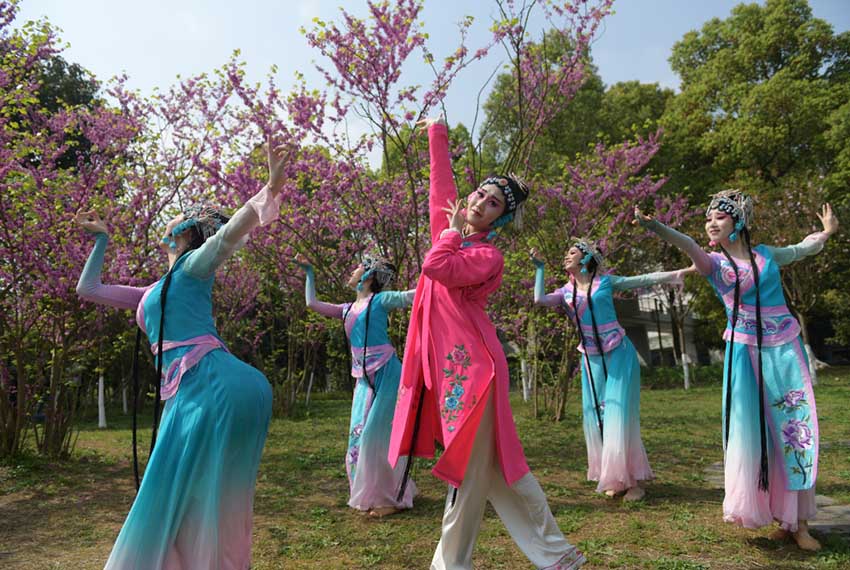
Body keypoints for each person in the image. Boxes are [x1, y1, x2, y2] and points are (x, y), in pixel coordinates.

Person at [75, 138, 287, 569]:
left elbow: (226, 237)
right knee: (184, 491)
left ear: (184, 232)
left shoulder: (192, 268)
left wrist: (268, 190)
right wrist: (102, 241)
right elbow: (89, 289)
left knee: (194, 490)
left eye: (173, 221)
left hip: (208, 384)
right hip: (186, 391)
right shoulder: (153, 289)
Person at [389, 116, 585, 570]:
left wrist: (453, 230)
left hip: (474, 373)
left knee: (467, 475)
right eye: (480, 194)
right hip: (456, 371)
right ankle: (558, 555)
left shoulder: (484, 255)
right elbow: (442, 182)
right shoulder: (452, 225)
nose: (479, 203)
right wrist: (437, 132)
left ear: (501, 218)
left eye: (493, 203)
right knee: (495, 473)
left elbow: (437, 266)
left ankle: (450, 565)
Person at [635, 192, 839, 550]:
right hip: (744, 354)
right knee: (754, 435)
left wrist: (824, 235)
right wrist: (656, 227)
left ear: (739, 221)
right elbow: (686, 243)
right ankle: (779, 518)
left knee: (793, 430)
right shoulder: (712, 262)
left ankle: (799, 522)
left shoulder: (767, 255)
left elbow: (799, 249)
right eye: (707, 219)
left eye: (718, 217)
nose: (710, 224)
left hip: (784, 349)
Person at [531, 241, 692, 501]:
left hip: (618, 351)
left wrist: (676, 274)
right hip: (591, 356)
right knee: (598, 415)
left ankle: (635, 482)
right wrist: (539, 269)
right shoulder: (565, 291)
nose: (566, 256)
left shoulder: (605, 282)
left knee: (619, 413)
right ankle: (616, 477)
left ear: (586, 258)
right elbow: (539, 299)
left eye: (571, 252)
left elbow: (642, 278)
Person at [296, 252, 417, 517]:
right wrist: (309, 273)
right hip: (363, 377)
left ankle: (389, 499)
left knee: (378, 436)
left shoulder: (381, 300)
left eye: (357, 268)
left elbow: (412, 295)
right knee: (359, 436)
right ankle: (372, 494)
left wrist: (437, 276)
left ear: (369, 276)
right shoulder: (347, 309)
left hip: (386, 371)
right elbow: (312, 303)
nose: (351, 272)